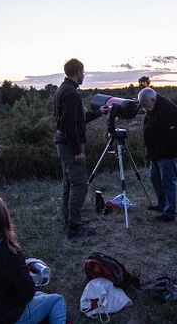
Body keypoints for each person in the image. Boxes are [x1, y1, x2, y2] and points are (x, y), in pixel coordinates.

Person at [0, 196, 67, 324]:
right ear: (3, 220)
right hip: (6, 317)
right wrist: (27, 274)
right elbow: (27, 294)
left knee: (41, 296)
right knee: (57, 300)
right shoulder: (8, 253)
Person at [53, 58, 101, 238]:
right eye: (83, 72)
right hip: (69, 145)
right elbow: (68, 125)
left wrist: (99, 113)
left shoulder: (62, 90)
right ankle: (74, 226)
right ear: (78, 71)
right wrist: (77, 151)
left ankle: (69, 219)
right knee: (80, 184)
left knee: (69, 182)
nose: (84, 75)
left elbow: (77, 119)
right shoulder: (71, 93)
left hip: (63, 143)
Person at [138, 87, 177, 222]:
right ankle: (162, 205)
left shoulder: (168, 109)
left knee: (168, 182)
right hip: (155, 154)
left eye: (145, 105)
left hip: (167, 154)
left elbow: (173, 134)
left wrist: (163, 152)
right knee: (155, 179)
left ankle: (170, 213)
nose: (144, 108)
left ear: (152, 99)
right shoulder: (152, 107)